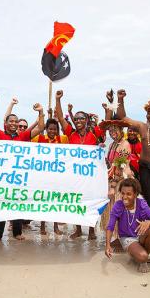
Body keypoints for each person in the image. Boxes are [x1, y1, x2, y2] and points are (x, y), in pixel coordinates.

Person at [0, 93, 45, 242]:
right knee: (2, 206)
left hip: (18, 178)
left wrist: (41, 112)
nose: (14, 123)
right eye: (11, 121)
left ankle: (17, 232)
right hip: (3, 179)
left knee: (17, 205)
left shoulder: (22, 137)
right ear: (6, 123)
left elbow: (41, 127)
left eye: (16, 122)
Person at [55, 90, 103, 240]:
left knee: (90, 203)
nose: (78, 120)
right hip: (74, 175)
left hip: (90, 175)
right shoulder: (70, 133)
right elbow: (62, 118)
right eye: (76, 119)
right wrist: (58, 100)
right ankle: (78, 230)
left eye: (81, 118)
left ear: (87, 120)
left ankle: (91, 231)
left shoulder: (94, 133)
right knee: (76, 202)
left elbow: (106, 124)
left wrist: (108, 108)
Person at [105, 178, 150, 273]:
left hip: (141, 235)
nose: (124, 197)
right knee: (143, 256)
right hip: (127, 238)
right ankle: (140, 256)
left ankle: (140, 257)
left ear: (135, 194)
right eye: (122, 193)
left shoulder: (142, 204)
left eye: (129, 194)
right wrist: (108, 245)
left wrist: (149, 223)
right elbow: (110, 226)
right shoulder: (118, 205)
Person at [98, 119, 133, 252]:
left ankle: (121, 238)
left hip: (121, 182)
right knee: (115, 210)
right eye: (110, 131)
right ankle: (117, 237)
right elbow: (110, 164)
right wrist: (100, 149)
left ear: (121, 131)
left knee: (120, 211)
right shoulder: (113, 144)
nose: (113, 133)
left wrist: (112, 186)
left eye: (115, 130)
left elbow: (119, 166)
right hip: (114, 180)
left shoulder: (124, 145)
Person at [32, 118, 68, 235]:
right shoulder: (38, 139)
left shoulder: (63, 139)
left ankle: (55, 226)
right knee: (43, 201)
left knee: (56, 201)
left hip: (57, 176)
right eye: (50, 129)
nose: (52, 131)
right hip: (43, 176)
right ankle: (42, 226)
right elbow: (26, 145)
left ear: (58, 130)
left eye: (55, 129)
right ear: (46, 129)